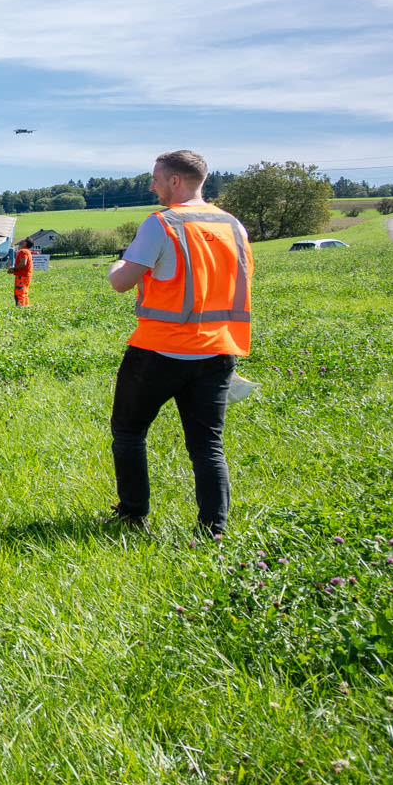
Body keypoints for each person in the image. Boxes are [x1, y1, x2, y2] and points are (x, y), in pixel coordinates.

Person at [105, 149, 252, 537]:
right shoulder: (234, 226)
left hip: (160, 349)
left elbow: (122, 282)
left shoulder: (162, 224)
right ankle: (213, 530)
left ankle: (133, 514)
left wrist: (117, 265)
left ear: (175, 181)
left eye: (155, 178)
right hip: (219, 350)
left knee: (129, 431)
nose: (151, 185)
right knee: (208, 445)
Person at [12, 238, 35, 306]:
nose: (21, 241)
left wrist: (14, 269)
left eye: (23, 240)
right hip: (27, 276)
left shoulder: (23, 251)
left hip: (22, 276)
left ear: (26, 243)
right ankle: (26, 307)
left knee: (20, 292)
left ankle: (20, 308)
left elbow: (23, 263)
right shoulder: (27, 251)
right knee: (24, 292)